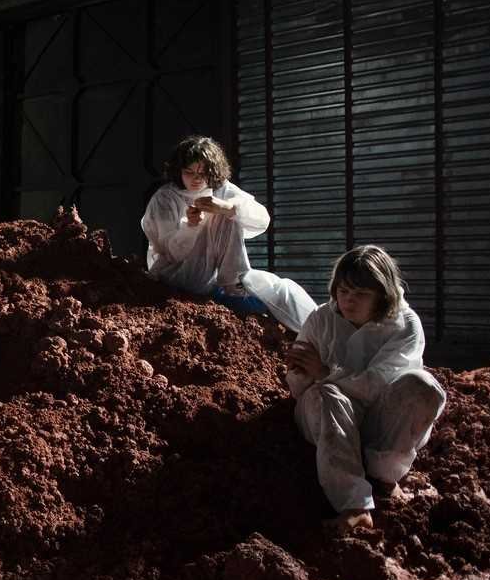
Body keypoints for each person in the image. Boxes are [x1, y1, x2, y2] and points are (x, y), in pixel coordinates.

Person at [285, 245, 446, 533]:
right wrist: (299, 371)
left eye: (360, 294)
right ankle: (354, 505)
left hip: (376, 420)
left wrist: (324, 371)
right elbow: (298, 388)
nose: (348, 300)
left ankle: (383, 475)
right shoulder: (322, 318)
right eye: (344, 291)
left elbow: (378, 387)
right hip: (326, 417)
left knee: (424, 387)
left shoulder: (404, 325)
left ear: (383, 296)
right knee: (327, 394)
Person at [141, 135, 315, 332]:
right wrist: (190, 226)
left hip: (212, 279)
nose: (197, 179)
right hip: (176, 275)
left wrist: (229, 207)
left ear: (213, 171)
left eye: (202, 172)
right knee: (221, 215)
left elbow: (262, 219)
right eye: (189, 172)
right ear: (178, 171)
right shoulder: (165, 198)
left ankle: (316, 328)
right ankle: (231, 284)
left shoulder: (220, 189)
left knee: (280, 288)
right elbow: (172, 253)